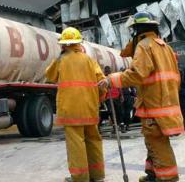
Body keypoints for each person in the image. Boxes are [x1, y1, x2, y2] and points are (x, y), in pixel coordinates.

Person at [99, 12, 184, 182]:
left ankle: (167, 178)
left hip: (153, 106)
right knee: (153, 141)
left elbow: (137, 75)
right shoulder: (165, 47)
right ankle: (152, 174)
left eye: (133, 30)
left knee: (158, 143)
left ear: (137, 29)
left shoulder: (144, 46)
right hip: (165, 104)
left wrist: (111, 79)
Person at [46, 27, 107, 182]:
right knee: (94, 141)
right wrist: (99, 98)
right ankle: (97, 175)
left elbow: (50, 76)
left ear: (64, 45)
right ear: (79, 43)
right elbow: (102, 83)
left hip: (71, 110)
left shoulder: (62, 60)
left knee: (76, 144)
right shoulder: (90, 60)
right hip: (90, 109)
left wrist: (59, 57)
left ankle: (80, 177)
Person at [103, 66, 123, 133]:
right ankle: (116, 126)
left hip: (115, 97)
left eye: (107, 71)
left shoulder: (112, 77)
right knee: (112, 112)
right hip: (109, 98)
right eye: (106, 71)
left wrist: (121, 95)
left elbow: (119, 86)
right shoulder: (104, 78)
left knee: (117, 111)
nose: (106, 72)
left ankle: (120, 125)